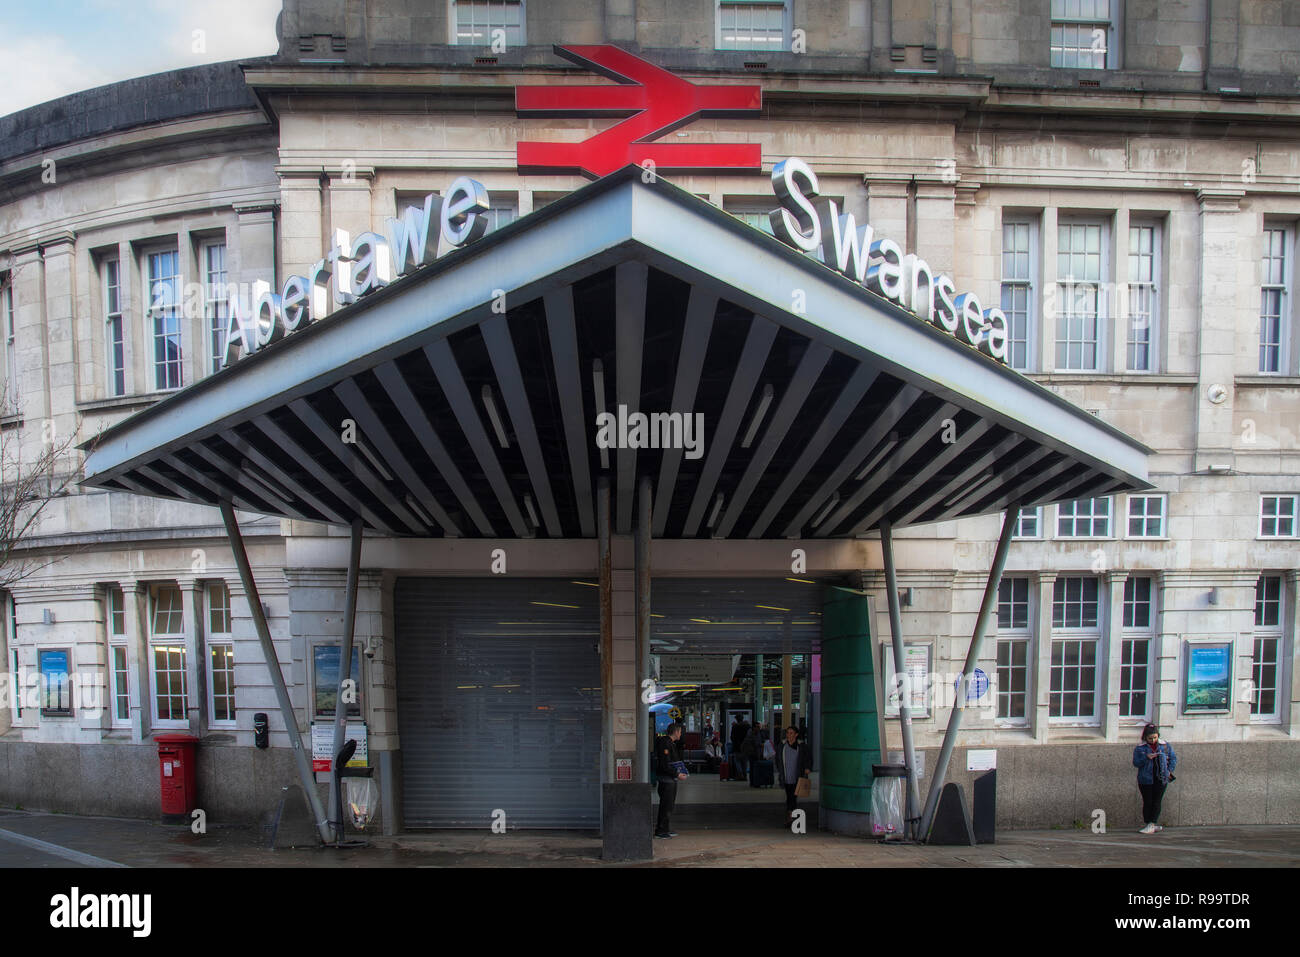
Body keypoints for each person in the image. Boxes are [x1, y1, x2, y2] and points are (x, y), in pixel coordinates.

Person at [1132, 723, 1176, 834]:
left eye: (1155, 737)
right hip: (1145, 779)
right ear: (1145, 737)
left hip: (1161, 778)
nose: (1153, 740)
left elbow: (1173, 758)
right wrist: (1146, 758)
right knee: (1148, 801)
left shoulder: (1165, 746)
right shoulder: (1140, 748)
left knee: (1157, 801)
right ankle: (1148, 822)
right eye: (1150, 738)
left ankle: (1152, 823)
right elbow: (1136, 763)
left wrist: (1169, 770)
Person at [654, 722, 688, 838]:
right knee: (666, 805)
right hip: (666, 779)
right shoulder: (665, 743)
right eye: (680, 732)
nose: (681, 735)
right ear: (676, 732)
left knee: (669, 806)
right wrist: (677, 774)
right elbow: (665, 764)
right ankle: (661, 831)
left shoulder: (671, 744)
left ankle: (665, 829)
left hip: (671, 778)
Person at [775, 725, 813, 824]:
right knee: (789, 796)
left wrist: (807, 768)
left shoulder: (801, 746)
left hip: (797, 775)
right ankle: (791, 815)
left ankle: (790, 816)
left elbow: (808, 758)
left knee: (793, 796)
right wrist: (780, 771)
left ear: (796, 735)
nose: (789, 735)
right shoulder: (782, 746)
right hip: (786, 776)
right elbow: (778, 759)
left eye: (791, 733)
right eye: (787, 733)